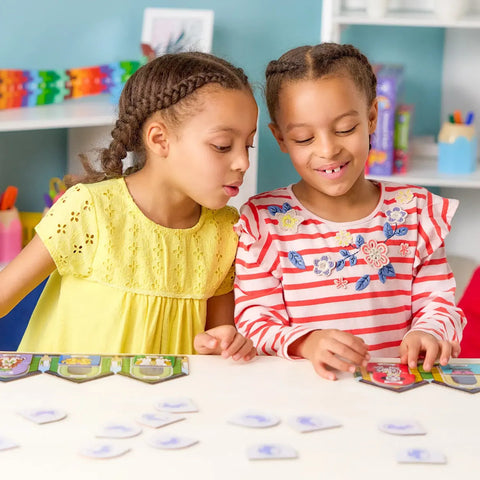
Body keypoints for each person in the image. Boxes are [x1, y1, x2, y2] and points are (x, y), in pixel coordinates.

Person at [0, 52, 258, 360]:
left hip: (168, 406)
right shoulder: (88, 210)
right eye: (222, 146)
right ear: (160, 139)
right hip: (72, 403)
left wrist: (228, 343)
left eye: (248, 145)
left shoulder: (225, 230)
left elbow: (218, 340)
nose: (243, 162)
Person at [234, 43, 466, 379]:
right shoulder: (264, 222)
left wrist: (429, 332)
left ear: (372, 117)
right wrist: (306, 343)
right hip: (305, 396)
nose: (328, 150)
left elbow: (438, 303)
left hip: (397, 394)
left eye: (345, 129)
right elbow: (255, 320)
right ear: (281, 138)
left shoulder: (415, 212)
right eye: (303, 138)